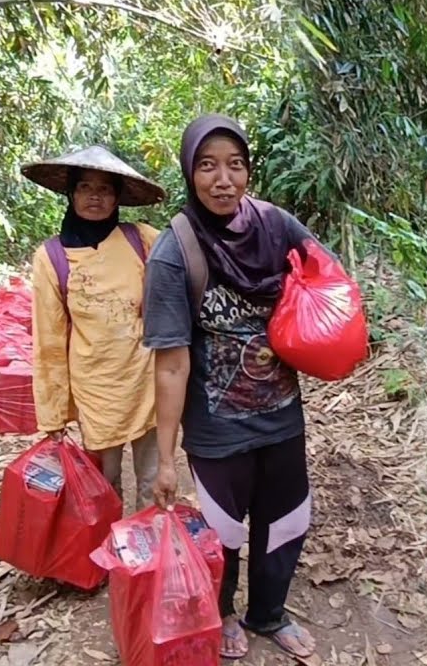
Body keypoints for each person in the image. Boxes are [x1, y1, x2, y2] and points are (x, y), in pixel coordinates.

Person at [141, 114, 324, 661]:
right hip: (216, 427)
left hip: (281, 415)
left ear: (249, 171)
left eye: (235, 165)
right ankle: (220, 614)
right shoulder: (175, 252)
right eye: (207, 165)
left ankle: (269, 612)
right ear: (189, 172)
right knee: (223, 532)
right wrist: (167, 458)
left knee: (287, 520)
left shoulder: (276, 225)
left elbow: (326, 276)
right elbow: (171, 364)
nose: (223, 179)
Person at [22, 145, 166, 508]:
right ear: (71, 194)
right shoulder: (52, 257)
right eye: (85, 187)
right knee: (103, 485)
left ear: (118, 196)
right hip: (96, 391)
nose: (95, 196)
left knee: (152, 481)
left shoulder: (142, 239)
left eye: (104, 189)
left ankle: (148, 557)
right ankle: (107, 558)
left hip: (146, 382)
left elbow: (179, 280)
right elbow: (49, 340)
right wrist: (53, 414)